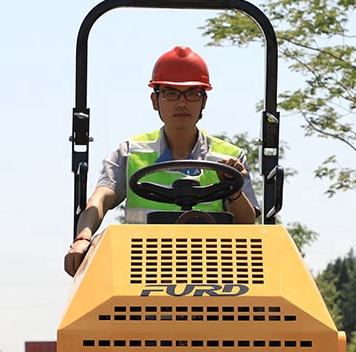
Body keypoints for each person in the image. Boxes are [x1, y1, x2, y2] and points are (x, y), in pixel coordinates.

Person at [64, 46, 260, 276]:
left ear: (203, 101)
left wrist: (234, 190)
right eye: (170, 93)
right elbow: (100, 199)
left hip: (214, 275)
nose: (181, 103)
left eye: (192, 93)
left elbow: (248, 228)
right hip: (140, 273)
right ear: (155, 100)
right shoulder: (130, 153)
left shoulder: (229, 157)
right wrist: (83, 238)